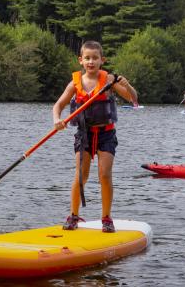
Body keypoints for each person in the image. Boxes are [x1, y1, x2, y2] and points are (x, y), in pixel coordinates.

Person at [53, 41, 138, 233]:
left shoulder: (109, 80)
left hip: (106, 134)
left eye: (95, 58)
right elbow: (58, 106)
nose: (91, 61)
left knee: (105, 175)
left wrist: (128, 85)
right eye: (87, 58)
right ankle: (73, 216)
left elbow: (133, 99)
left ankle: (106, 218)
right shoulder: (74, 84)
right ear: (81, 60)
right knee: (81, 176)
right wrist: (57, 120)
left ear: (102, 60)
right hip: (84, 134)